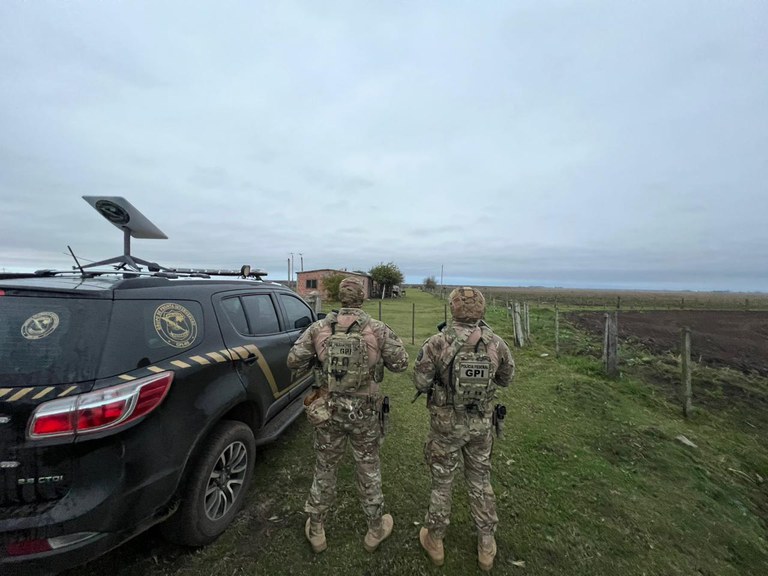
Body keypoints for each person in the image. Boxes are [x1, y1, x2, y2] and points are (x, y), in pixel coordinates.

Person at [287, 276, 409, 554]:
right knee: (368, 467)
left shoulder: (319, 328)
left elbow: (293, 360)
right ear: (362, 298)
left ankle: (317, 529)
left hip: (327, 410)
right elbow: (401, 363)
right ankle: (375, 529)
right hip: (365, 412)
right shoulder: (377, 329)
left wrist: (320, 358)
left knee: (325, 467)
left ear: (340, 297)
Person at [413, 287, 514, 571]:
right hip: (480, 426)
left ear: (452, 308)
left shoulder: (437, 342)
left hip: (445, 427)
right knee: (480, 481)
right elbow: (506, 378)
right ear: (482, 310)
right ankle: (486, 545)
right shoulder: (497, 344)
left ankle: (435, 539)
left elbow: (420, 382)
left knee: (442, 483)